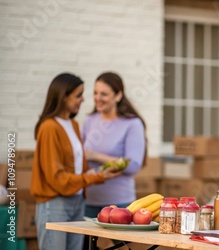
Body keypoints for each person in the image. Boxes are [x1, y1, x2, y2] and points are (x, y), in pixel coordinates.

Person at [31, 73, 121, 250]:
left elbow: (77, 168)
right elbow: (57, 179)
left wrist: (98, 172)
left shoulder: (73, 125)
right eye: (78, 95)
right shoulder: (49, 127)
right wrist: (96, 177)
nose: (83, 99)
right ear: (63, 97)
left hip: (77, 201)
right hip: (55, 203)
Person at [82, 71, 147, 218]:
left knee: (120, 243)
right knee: (88, 242)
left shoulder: (132, 124)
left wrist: (95, 155)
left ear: (118, 96)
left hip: (120, 204)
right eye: (95, 93)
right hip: (89, 202)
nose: (98, 98)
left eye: (104, 94)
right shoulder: (89, 121)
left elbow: (132, 165)